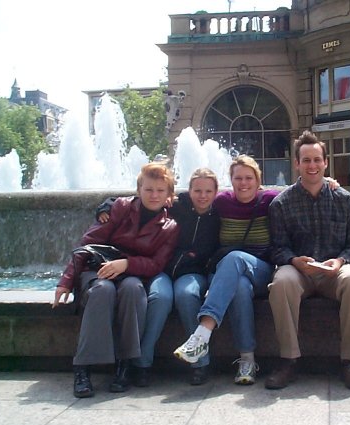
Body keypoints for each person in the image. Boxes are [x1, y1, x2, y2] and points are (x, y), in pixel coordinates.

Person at [52, 163, 179, 398]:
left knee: (133, 290)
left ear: (169, 195)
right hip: (98, 269)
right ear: (139, 190)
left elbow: (156, 264)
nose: (154, 195)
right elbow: (87, 243)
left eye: (160, 190)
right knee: (102, 291)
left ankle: (125, 365)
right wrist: (66, 280)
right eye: (149, 189)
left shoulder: (170, 227)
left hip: (132, 274)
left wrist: (127, 264)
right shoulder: (120, 207)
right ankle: (83, 367)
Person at [95, 168, 221, 387]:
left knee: (186, 295)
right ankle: (142, 363)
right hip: (161, 269)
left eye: (208, 191)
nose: (203, 196)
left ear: (216, 192)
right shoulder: (176, 205)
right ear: (189, 191)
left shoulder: (220, 213)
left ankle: (200, 362)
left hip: (193, 273)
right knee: (160, 297)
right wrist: (105, 206)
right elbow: (132, 200)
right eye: (197, 190)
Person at [265, 130, 350, 390]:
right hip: (299, 272)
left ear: (325, 162)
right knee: (281, 283)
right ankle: (288, 360)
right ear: (297, 164)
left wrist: (341, 261)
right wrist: (294, 260)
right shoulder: (281, 203)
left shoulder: (345, 201)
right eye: (306, 160)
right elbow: (276, 248)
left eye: (316, 160)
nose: (312, 165)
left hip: (335, 272)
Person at [172, 155, 277, 385]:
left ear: (258, 180)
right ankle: (247, 360)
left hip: (261, 271)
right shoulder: (222, 202)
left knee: (234, 258)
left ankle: (202, 333)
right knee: (239, 287)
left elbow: (298, 193)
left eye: (249, 178)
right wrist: (109, 204)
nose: (243, 183)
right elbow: (189, 199)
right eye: (238, 178)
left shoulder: (270, 199)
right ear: (231, 180)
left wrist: (329, 181)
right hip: (233, 276)